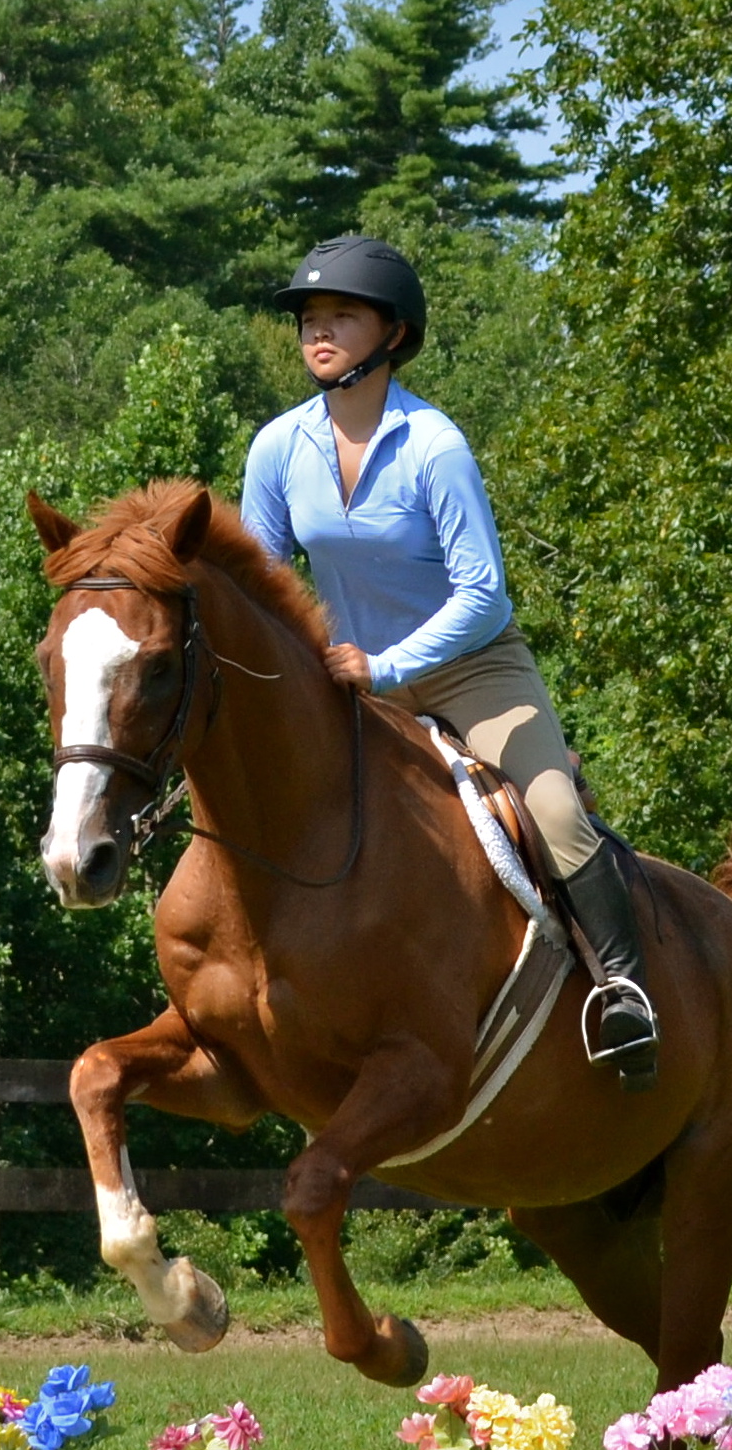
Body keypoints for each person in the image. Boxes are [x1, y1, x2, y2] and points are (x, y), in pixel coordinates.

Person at [241, 234, 662, 1086]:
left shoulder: (435, 445)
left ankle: (623, 989)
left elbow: (484, 598)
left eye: (341, 316)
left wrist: (386, 666)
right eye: (309, 318)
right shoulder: (277, 448)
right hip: (349, 678)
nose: (318, 331)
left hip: (472, 670)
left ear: (392, 334)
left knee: (554, 812)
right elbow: (260, 584)